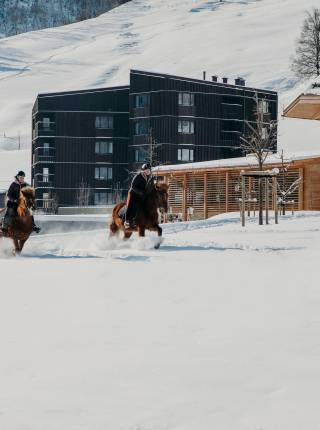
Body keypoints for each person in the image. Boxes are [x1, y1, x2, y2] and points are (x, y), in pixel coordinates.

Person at [124, 163, 153, 229]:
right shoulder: (138, 176)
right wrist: (140, 192)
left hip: (142, 194)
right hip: (134, 193)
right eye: (146, 170)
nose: (147, 172)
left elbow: (151, 186)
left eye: (149, 170)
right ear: (143, 170)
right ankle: (127, 221)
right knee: (132, 205)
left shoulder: (150, 177)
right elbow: (133, 186)